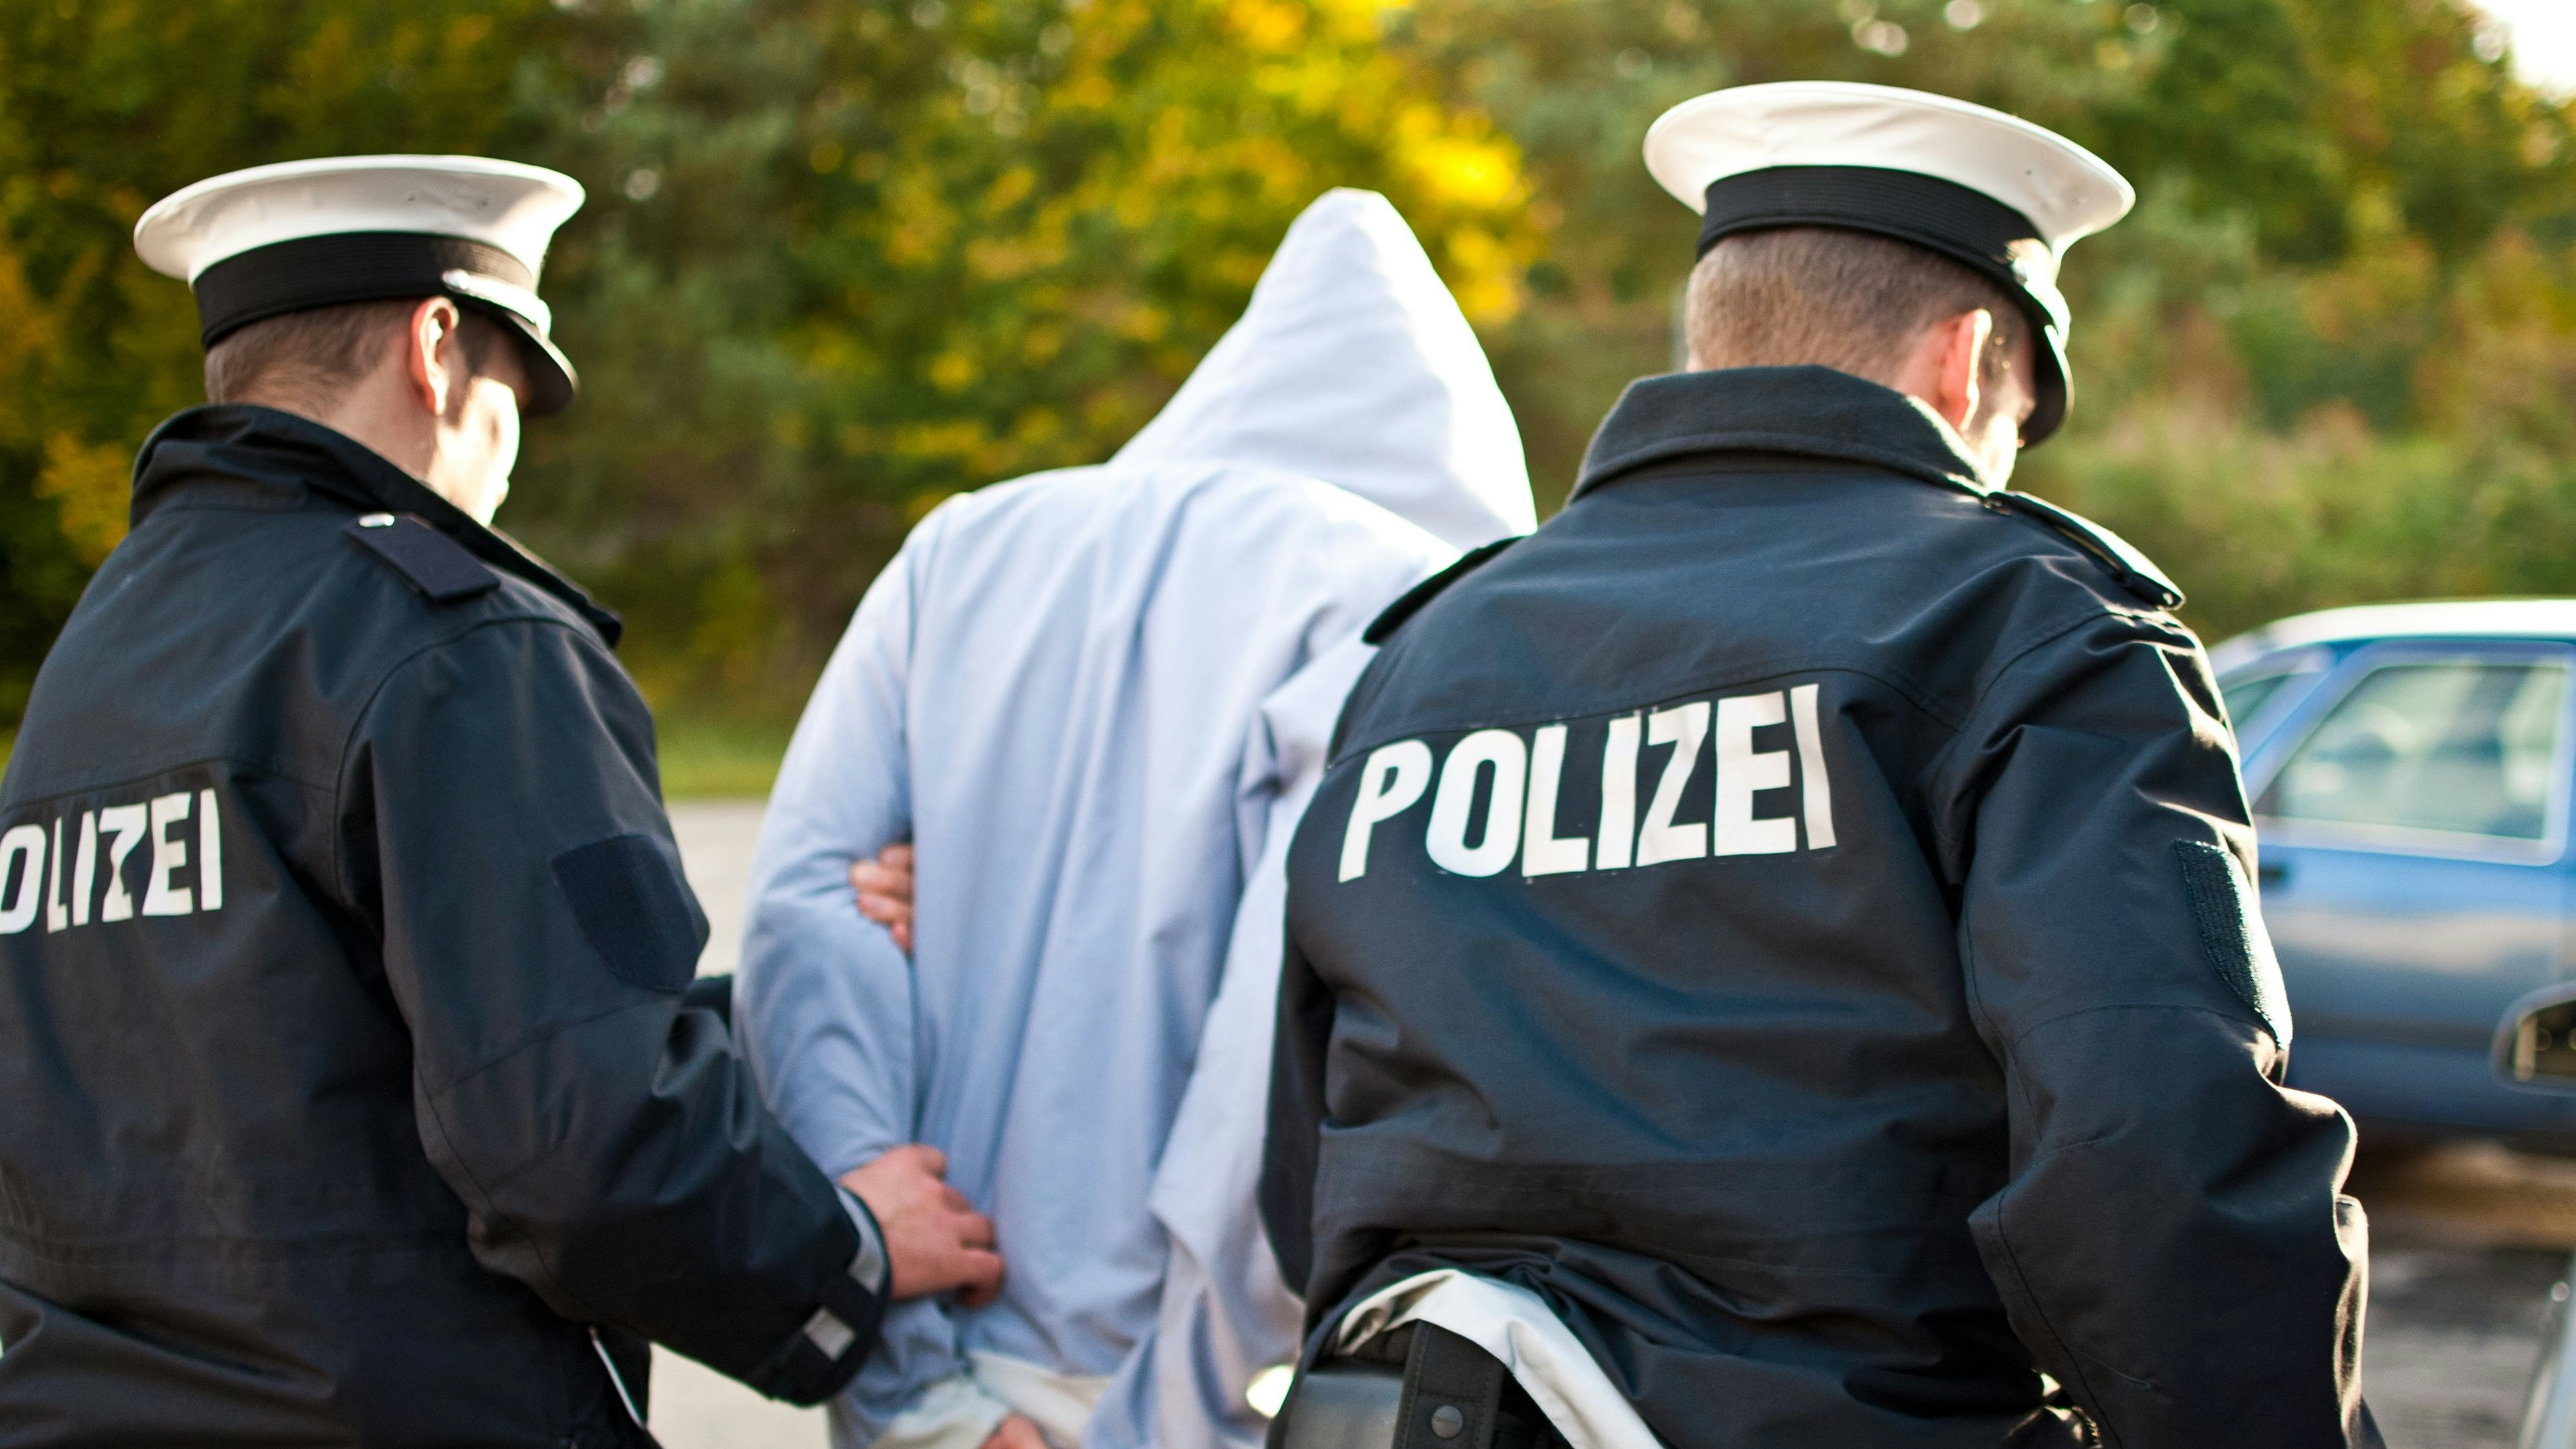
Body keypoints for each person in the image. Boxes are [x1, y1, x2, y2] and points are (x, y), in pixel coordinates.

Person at [1261, 82, 2382, 1447]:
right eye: (2019, 419)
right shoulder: (2028, 623)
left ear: (1714, 338)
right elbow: (2155, 1150)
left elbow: (1303, 1158)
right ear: (1968, 362)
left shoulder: (1426, 652)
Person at [0, 156, 1001, 1449]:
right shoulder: (456, 647)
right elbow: (570, 1146)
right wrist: (848, 1254)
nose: (512, 452)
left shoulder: (96, 670)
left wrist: (773, 1010)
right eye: (516, 393)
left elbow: (271, 1050)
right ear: (436, 348)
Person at [736, 188, 1535, 1449]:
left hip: (926, 1371)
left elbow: (810, 930)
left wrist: (912, 1389)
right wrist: (1166, 1417)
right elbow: (1267, 1073)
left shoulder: (959, 551)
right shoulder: (1401, 602)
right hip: (1185, 1400)